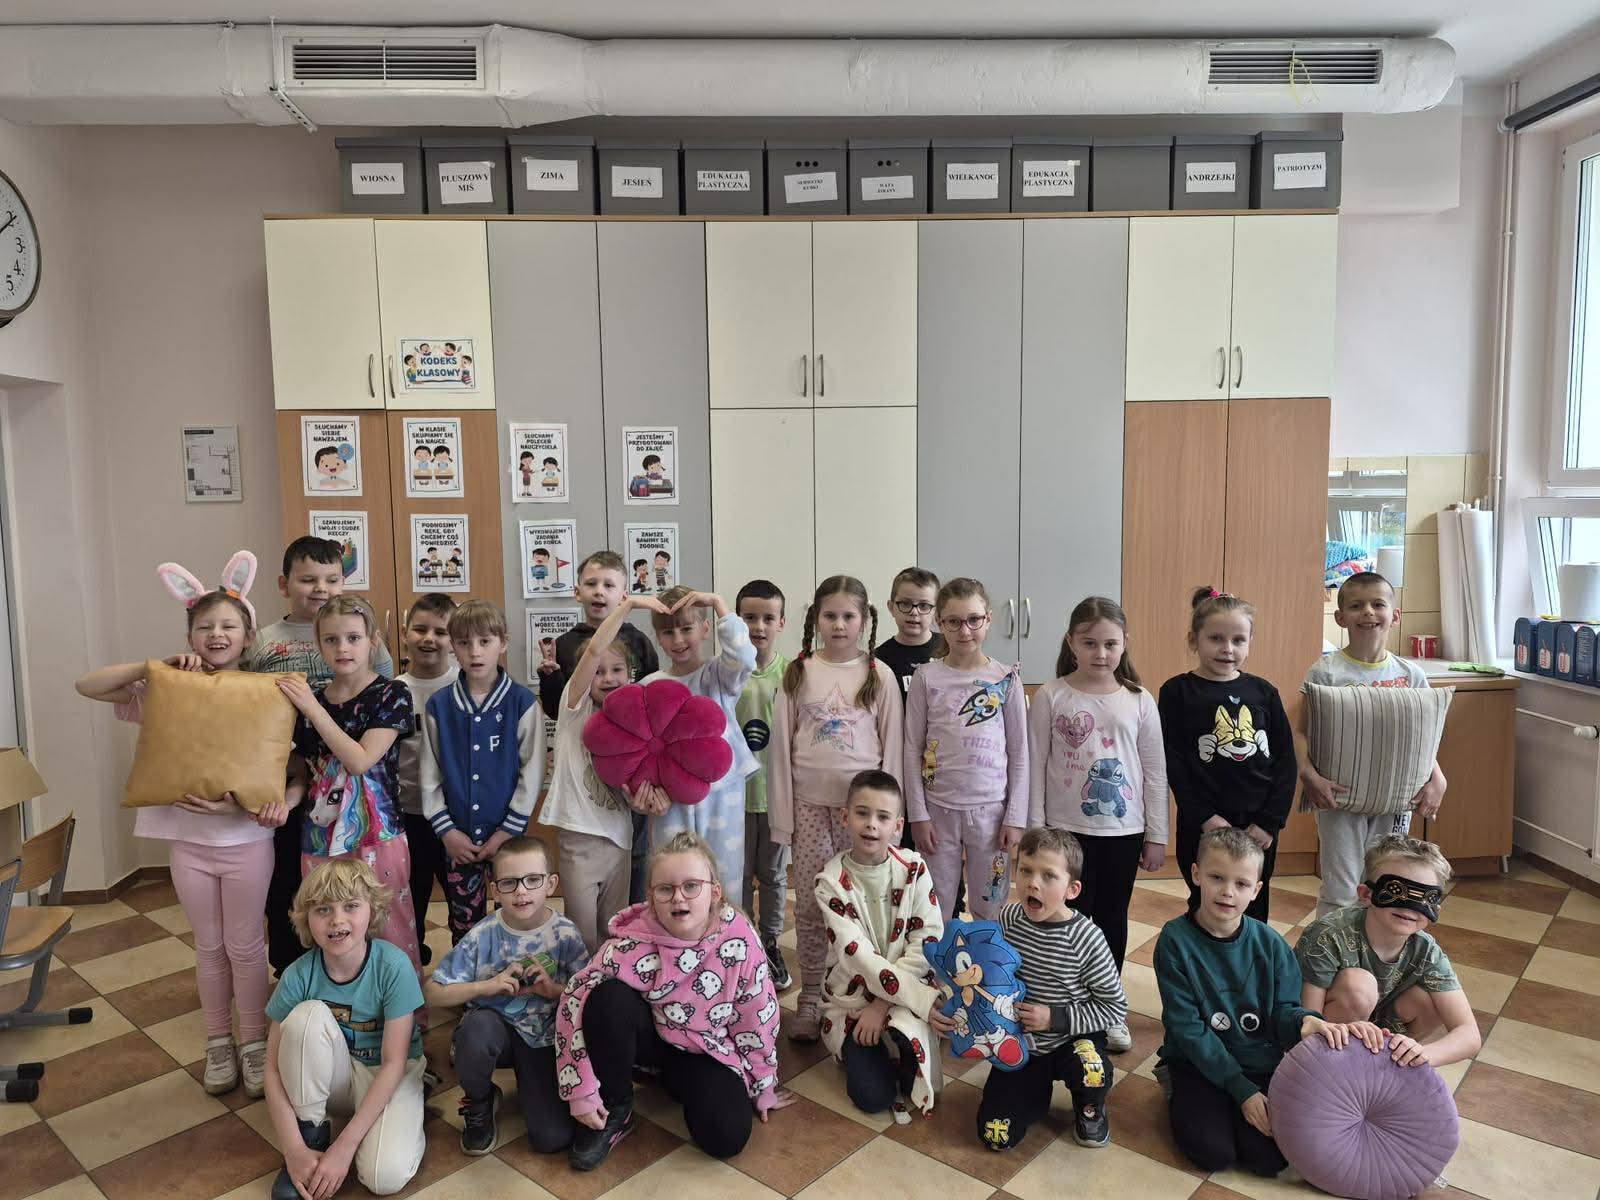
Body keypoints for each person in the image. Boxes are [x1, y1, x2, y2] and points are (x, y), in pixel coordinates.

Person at [75, 552, 277, 1098]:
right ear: (190, 636)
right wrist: (152, 669)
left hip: (247, 841)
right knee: (208, 946)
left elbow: (283, 766)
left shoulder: (265, 692)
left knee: (245, 946)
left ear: (248, 636)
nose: (217, 635)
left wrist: (243, 806)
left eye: (229, 626)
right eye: (205, 627)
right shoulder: (168, 688)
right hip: (188, 845)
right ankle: (218, 1042)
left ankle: (253, 1042)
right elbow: (87, 685)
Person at [555, 831, 796, 1170]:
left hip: (704, 1050)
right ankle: (617, 1106)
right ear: (651, 898)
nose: (678, 898)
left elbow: (757, 1016)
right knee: (606, 997)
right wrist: (580, 1089)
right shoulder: (630, 943)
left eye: (691, 886)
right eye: (665, 889)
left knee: (727, 1137)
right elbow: (573, 1000)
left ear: (714, 892)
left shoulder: (739, 940)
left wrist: (763, 1082)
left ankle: (671, 1083)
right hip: (647, 1040)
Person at [1154, 827, 1352, 1177]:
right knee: (1214, 1153)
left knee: (1269, 1160)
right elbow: (1188, 1029)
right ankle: (1178, 1087)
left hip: (1257, 1063)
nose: (1228, 892)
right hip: (1195, 1062)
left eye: (1242, 884)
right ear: (1196, 874)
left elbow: (1283, 1011)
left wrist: (1305, 1022)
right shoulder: (1174, 941)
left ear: (1257, 890)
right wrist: (1240, 1090)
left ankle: (1229, 1104)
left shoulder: (1271, 944)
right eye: (1217, 877)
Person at [247, 535, 395, 976]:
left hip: (350, 788)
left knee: (350, 887)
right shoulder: (263, 641)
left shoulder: (362, 636)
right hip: (285, 781)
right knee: (289, 883)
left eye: (332, 579)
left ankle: (361, 972)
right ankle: (294, 971)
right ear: (284, 584)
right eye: (308, 579)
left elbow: (380, 694)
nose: (321, 589)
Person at [1027, 595, 1166, 1054]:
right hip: (1063, 833)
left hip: (1122, 834)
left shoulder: (1139, 699)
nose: (1101, 653)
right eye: (1089, 643)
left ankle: (1109, 1009)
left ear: (1125, 644)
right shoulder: (1051, 695)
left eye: (1110, 644)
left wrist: (1157, 834)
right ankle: (1063, 1004)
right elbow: (1035, 764)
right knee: (1064, 919)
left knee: (1110, 920)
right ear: (1071, 642)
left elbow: (1154, 771)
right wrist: (1036, 829)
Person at [769, 575, 904, 1043]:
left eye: (849, 616)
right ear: (816, 619)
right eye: (830, 615)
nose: (840, 624)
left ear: (865, 620)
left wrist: (891, 823)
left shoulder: (880, 674)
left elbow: (893, 749)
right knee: (811, 904)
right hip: (809, 807)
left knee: (863, 905)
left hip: (864, 814)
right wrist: (782, 820)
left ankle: (862, 991)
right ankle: (811, 995)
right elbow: (780, 751)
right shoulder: (799, 672)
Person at [276, 595, 423, 979]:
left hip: (378, 834)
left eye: (353, 638)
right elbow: (306, 769)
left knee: (388, 922)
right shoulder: (312, 699)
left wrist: (311, 709)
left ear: (372, 640)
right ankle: (340, 1004)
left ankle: (402, 1007)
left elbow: (359, 760)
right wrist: (286, 799)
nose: (343, 648)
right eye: (332, 639)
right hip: (320, 834)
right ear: (319, 643)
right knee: (330, 924)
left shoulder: (392, 694)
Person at [264, 860, 426, 1200]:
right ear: (306, 918)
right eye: (323, 909)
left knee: (384, 1178)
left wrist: (345, 1146)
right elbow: (272, 1068)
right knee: (305, 1017)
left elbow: (394, 1063)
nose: (337, 920)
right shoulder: (298, 974)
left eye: (351, 906)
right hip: (336, 1077)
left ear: (372, 911)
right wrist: (293, 1150)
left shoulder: (394, 966)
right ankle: (312, 1134)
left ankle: (407, 1109)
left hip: (387, 1071)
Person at [425, 836, 590, 1156]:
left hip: (543, 1038)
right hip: (494, 1033)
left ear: (550, 884)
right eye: (510, 883)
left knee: (552, 1138)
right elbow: (432, 992)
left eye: (532, 880)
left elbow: (587, 992)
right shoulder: (482, 934)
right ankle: (480, 1099)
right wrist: (486, 987)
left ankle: (531, 1082)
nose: (521, 891)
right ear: (495, 889)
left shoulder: (565, 934)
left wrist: (553, 990)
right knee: (475, 1031)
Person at [1297, 571, 1446, 919]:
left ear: (1395, 615)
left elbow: (1422, 739)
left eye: (1378, 604)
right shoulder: (1326, 672)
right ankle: (1328, 950)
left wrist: (1438, 778)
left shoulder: (1411, 675)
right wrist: (1309, 776)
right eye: (1356, 606)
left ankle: (1372, 949)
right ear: (1340, 617)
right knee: (1341, 888)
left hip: (1394, 801)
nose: (1368, 612)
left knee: (1385, 882)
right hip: (1339, 800)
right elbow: (1302, 732)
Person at [977, 827, 1127, 1152]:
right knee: (996, 1135)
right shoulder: (1008, 918)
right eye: (1026, 870)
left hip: (1073, 1038)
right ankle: (1034, 1093)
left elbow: (1114, 1008)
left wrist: (1054, 1018)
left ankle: (1089, 1105)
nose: (1033, 883)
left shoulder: (1087, 938)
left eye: (1048, 876)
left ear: (1072, 889)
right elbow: (995, 973)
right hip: (1023, 1043)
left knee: (1093, 1072)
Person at [816, 771, 949, 1122]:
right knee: (873, 1097)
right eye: (862, 813)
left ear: (898, 826)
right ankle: (877, 1048)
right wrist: (892, 1004)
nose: (871, 824)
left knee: (912, 1080)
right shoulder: (830, 883)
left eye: (883, 817)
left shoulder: (914, 868)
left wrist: (882, 1005)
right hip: (854, 1000)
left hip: (900, 993)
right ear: (845, 817)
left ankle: (896, 1041)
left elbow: (927, 941)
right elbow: (857, 957)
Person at [1159, 587, 1294, 922]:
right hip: (1203, 823)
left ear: (1250, 642)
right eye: (1216, 638)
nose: (1227, 648)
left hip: (1258, 825)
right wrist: (1203, 816)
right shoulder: (1177, 692)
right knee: (1205, 900)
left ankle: (1250, 957)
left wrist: (1269, 822)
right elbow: (1173, 761)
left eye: (1238, 640)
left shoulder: (1264, 692)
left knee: (1252, 903)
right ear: (1194, 639)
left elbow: (1285, 761)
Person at [540, 594, 664, 951]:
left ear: (631, 675)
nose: (608, 678)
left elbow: (636, 788)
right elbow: (595, 650)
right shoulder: (574, 708)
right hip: (579, 837)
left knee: (614, 934)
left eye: (617, 670)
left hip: (619, 839)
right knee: (582, 936)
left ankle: (609, 985)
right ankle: (579, 986)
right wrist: (627, 605)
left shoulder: (633, 720)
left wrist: (641, 803)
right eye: (598, 672)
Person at [1297, 835, 1481, 1068]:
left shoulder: (1426, 950)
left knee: (1432, 999)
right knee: (1359, 986)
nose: (1409, 908)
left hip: (1381, 1029)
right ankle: (1339, 1064)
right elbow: (1307, 1019)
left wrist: (1421, 1054)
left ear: (1436, 908)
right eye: (1396, 890)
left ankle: (1388, 1062)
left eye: (1425, 898)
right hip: (1325, 1031)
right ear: (1366, 895)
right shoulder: (1328, 935)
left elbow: (1469, 1034)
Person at [419, 600, 543, 943]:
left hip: (509, 841)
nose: (475, 651)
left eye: (485, 641)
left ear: (503, 643)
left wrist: (507, 831)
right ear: (452, 646)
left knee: (517, 918)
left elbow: (532, 770)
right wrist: (446, 831)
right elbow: (430, 774)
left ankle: (516, 975)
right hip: (458, 841)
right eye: (464, 642)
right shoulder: (439, 706)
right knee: (465, 927)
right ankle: (470, 978)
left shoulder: (522, 702)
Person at [905, 577, 1028, 922]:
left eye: (974, 620)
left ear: (988, 619)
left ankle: (986, 957)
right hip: (938, 812)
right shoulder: (926, 678)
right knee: (936, 905)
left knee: (990, 904)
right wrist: (918, 815)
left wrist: (1015, 816)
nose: (965, 631)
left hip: (992, 814)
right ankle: (940, 957)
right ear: (939, 623)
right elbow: (911, 749)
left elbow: (1020, 754)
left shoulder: (1006, 678)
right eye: (954, 622)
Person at [642, 587, 758, 901]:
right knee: (671, 876)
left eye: (686, 628)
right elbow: (642, 749)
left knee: (724, 877)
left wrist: (718, 603)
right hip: (671, 799)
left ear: (706, 629)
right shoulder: (649, 686)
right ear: (658, 637)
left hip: (721, 792)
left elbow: (745, 657)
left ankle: (725, 932)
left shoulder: (718, 676)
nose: (678, 639)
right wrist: (646, 794)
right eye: (668, 632)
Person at [735, 579, 793, 990]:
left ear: (781, 623)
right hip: (733, 799)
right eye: (749, 617)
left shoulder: (791, 674)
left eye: (768, 618)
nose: (758, 626)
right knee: (737, 875)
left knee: (772, 875)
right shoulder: (726, 671)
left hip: (775, 798)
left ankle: (770, 941)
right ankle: (742, 940)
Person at [393, 594, 457, 963]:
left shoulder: (467, 684)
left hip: (457, 820)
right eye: (420, 629)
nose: (429, 638)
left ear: (454, 639)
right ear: (405, 634)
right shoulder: (394, 691)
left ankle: (467, 976)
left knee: (463, 904)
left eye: (441, 631)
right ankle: (411, 974)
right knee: (409, 904)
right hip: (409, 816)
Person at [874, 566, 943, 699]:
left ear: (936, 611)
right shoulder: (879, 659)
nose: (914, 612)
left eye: (924, 605)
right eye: (905, 604)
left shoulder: (950, 648)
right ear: (891, 607)